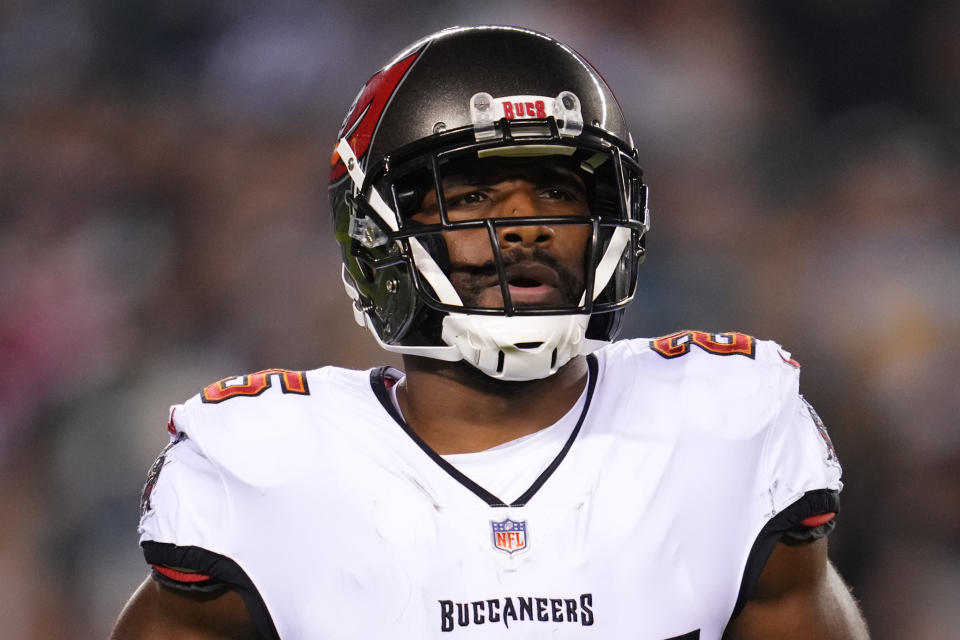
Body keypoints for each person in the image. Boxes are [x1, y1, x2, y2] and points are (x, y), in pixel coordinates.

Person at [111, 25, 870, 639]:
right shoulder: (267, 467)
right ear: (379, 233)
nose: (522, 228)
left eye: (554, 190)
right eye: (472, 195)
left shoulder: (720, 427)